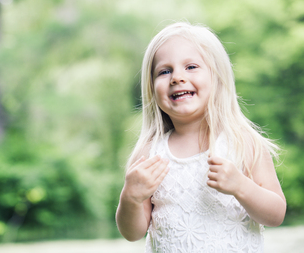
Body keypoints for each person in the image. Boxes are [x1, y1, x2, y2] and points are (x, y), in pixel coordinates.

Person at [115, 22, 286, 252]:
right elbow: (133, 232)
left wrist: (241, 186)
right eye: (164, 71)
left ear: (216, 76)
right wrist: (131, 198)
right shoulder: (150, 154)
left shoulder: (243, 142)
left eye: (191, 66)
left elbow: (276, 214)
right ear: (151, 88)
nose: (176, 77)